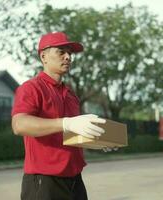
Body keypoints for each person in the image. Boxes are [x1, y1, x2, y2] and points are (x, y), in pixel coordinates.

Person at [11, 32, 107, 200]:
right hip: (44, 181)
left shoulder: (71, 94)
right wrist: (66, 123)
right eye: (61, 52)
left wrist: (99, 142)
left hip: (75, 180)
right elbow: (19, 125)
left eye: (69, 53)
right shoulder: (31, 88)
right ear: (44, 56)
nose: (68, 57)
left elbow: (70, 134)